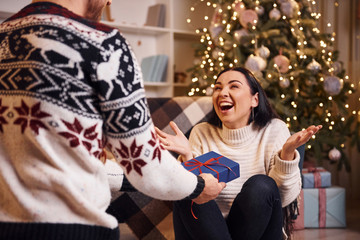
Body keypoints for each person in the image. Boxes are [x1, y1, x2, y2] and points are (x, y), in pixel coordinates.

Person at [0, 1, 225, 239]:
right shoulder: (103, 44)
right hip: (75, 230)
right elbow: (144, 163)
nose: (108, 2)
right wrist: (198, 186)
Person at [156, 67, 322, 240]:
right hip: (207, 232)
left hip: (257, 231)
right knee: (190, 187)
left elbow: (283, 199)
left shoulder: (274, 129)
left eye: (233, 86)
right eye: (218, 88)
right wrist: (188, 156)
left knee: (262, 184)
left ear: (254, 100)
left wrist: (287, 154)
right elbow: (191, 201)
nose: (222, 93)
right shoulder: (202, 132)